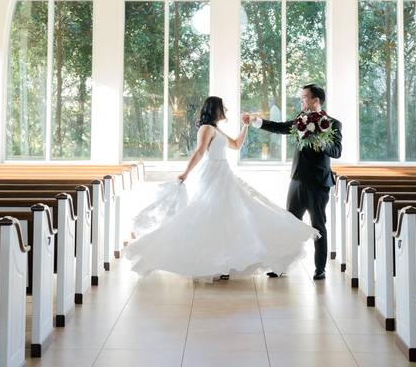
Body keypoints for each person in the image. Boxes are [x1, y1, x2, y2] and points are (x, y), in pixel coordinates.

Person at [123, 96, 319, 280]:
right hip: (212, 174)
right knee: (211, 215)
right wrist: (185, 173)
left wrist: (245, 126)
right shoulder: (206, 128)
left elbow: (235, 145)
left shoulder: (216, 129)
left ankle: (224, 264)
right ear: (215, 109)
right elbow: (199, 153)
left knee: (229, 216)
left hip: (224, 174)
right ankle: (213, 264)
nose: (225, 109)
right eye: (222, 107)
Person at [244, 84, 342, 280]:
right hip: (297, 180)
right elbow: (280, 127)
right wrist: (257, 121)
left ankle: (320, 269)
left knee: (318, 226)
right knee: (288, 224)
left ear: (316, 100)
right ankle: (280, 266)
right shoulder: (300, 120)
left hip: (318, 183)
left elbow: (337, 151)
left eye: (304, 97)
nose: (301, 100)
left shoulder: (332, 123)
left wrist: (322, 143)